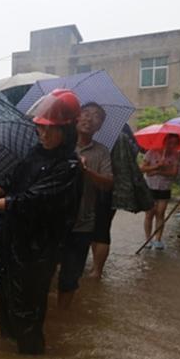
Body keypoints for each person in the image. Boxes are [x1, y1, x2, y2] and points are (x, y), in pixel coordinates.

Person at [0, 89, 82, 354]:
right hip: (12, 240)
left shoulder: (69, 167)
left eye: (51, 130)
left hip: (39, 249)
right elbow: (13, 181)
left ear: (68, 129)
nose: (44, 135)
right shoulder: (36, 153)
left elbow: (27, 201)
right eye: (40, 129)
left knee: (28, 309)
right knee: (4, 297)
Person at [56, 102, 112, 310]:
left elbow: (108, 183)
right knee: (46, 269)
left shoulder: (102, 152)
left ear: (100, 127)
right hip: (54, 220)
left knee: (71, 275)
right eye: (86, 113)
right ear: (76, 118)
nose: (89, 118)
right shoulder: (60, 145)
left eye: (96, 117)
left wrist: (87, 172)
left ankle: (63, 317)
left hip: (83, 222)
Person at [88, 124, 153, 278]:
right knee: (103, 228)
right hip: (116, 187)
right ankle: (97, 269)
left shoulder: (98, 137)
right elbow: (134, 156)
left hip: (99, 185)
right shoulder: (125, 135)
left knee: (95, 227)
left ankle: (96, 269)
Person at [141, 133, 180, 250]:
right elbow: (143, 169)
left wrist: (160, 171)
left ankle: (158, 239)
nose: (171, 146)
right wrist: (156, 166)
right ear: (165, 142)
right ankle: (148, 239)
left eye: (174, 144)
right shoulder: (151, 152)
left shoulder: (175, 156)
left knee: (160, 212)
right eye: (169, 142)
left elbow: (174, 173)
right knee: (149, 213)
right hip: (150, 187)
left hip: (164, 187)